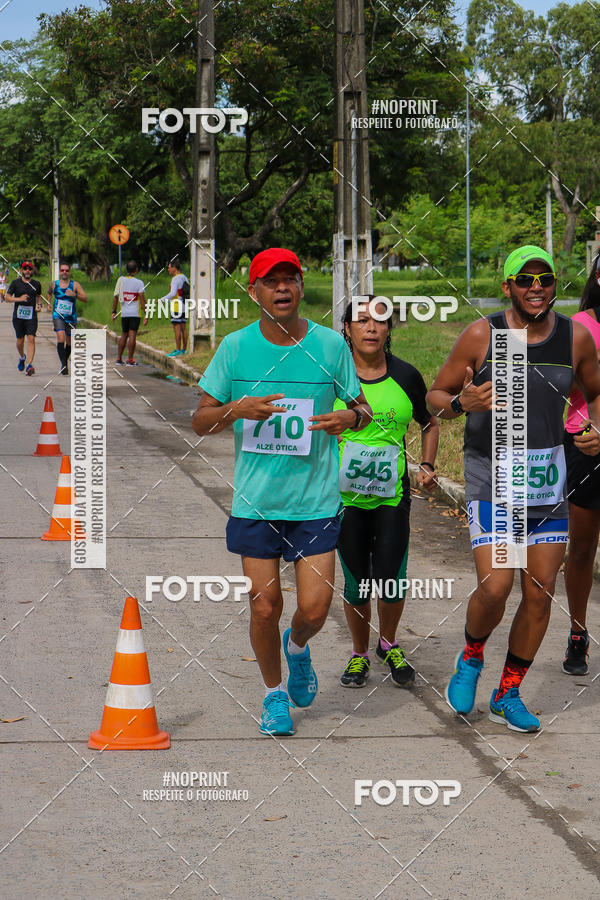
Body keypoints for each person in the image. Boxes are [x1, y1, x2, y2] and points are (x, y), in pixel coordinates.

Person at [191, 247, 372, 736]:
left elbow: (363, 409)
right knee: (264, 605)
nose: (283, 288)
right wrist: (237, 408)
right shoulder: (234, 348)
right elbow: (199, 421)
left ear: (301, 286)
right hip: (256, 502)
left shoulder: (332, 345)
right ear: (254, 292)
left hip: (314, 502)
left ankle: (298, 650)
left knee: (313, 609)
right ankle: (273, 696)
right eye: (272, 282)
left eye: (291, 279)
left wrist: (348, 418)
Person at [427, 245, 600, 733]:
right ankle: (471, 656)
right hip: (491, 477)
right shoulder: (484, 334)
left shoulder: (575, 337)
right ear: (507, 287)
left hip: (548, 480)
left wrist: (593, 429)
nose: (536, 288)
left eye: (544, 279)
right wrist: (462, 402)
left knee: (540, 593)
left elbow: (595, 392)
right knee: (498, 584)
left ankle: (508, 692)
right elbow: (433, 400)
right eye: (524, 280)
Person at [335, 298, 439, 688]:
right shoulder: (332, 375)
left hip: (392, 496)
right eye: (361, 320)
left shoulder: (406, 376)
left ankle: (389, 643)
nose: (371, 328)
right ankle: (360, 653)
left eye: (379, 320)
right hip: (343, 500)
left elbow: (429, 424)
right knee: (357, 580)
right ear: (347, 328)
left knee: (392, 576)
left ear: (389, 329)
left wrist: (427, 465)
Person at [562, 252, 600, 675]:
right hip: (585, 444)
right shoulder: (581, 328)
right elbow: (561, 385)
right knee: (584, 547)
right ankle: (578, 632)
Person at [45, 262, 88, 375]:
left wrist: (75, 295)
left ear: (69, 272)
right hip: (58, 315)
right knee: (61, 337)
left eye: (66, 270)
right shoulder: (55, 284)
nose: (64, 272)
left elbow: (85, 298)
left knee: (69, 342)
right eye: (62, 270)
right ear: (60, 272)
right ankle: (64, 364)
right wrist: (48, 303)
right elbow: (48, 293)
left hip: (71, 317)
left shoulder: (75, 285)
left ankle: (64, 363)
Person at [6, 261, 43, 375]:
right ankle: (22, 357)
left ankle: (29, 365)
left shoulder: (36, 284)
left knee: (31, 338)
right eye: (25, 268)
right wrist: (19, 299)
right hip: (18, 317)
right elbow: (7, 297)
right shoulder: (15, 283)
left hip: (31, 316)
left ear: (32, 271)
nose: (27, 271)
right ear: (22, 270)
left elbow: (39, 296)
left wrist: (39, 305)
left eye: (30, 269)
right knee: (20, 341)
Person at [112, 260, 147, 366]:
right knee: (132, 335)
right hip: (135, 314)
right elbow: (141, 299)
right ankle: (130, 359)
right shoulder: (139, 282)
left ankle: (119, 359)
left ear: (126, 270)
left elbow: (115, 297)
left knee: (124, 335)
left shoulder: (120, 280)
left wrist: (114, 311)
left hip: (124, 313)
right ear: (136, 270)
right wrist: (146, 312)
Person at [161, 258, 190, 357]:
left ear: (174, 268)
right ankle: (184, 349)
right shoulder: (185, 277)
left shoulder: (175, 279)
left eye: (169, 268)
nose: (168, 270)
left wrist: (162, 300)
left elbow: (173, 293)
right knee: (184, 328)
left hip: (176, 306)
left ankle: (177, 349)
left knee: (176, 328)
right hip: (184, 305)